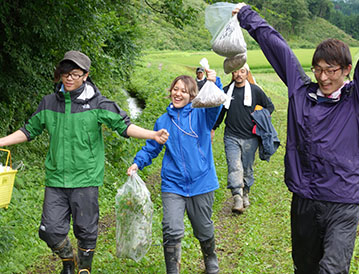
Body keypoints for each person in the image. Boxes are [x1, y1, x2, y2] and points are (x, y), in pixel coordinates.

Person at [0, 50, 169, 274]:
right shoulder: (49, 103)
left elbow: (124, 126)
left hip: (86, 177)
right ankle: (69, 259)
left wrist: (152, 135)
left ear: (85, 76)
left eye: (75, 74)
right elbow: (28, 131)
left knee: (86, 231)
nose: (69, 78)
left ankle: (84, 269)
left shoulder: (98, 103)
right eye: (65, 73)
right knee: (49, 230)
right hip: (56, 178)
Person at [234, 3, 359, 273]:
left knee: (333, 269)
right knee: (305, 268)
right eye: (318, 69)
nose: (323, 77)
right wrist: (247, 15)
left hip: (342, 201)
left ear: (347, 69)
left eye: (331, 70)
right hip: (304, 198)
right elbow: (279, 48)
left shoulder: (357, 100)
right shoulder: (302, 92)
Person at [127, 71, 222, 274]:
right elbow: (151, 147)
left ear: (192, 96)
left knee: (203, 228)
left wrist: (215, 82)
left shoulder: (202, 114)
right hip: (173, 184)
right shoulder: (163, 121)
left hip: (202, 182)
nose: (178, 94)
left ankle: (211, 260)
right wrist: (137, 163)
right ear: (170, 92)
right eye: (175, 90)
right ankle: (173, 270)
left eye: (184, 91)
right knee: (171, 228)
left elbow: (216, 104)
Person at [212, 63, 274, 213]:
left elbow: (269, 106)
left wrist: (260, 118)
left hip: (250, 137)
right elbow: (221, 112)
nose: (239, 74)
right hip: (231, 136)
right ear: (232, 74)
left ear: (247, 73)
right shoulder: (226, 91)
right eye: (236, 71)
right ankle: (237, 197)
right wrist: (213, 128)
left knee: (247, 168)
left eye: (242, 71)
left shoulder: (255, 91)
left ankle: (245, 192)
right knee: (234, 166)